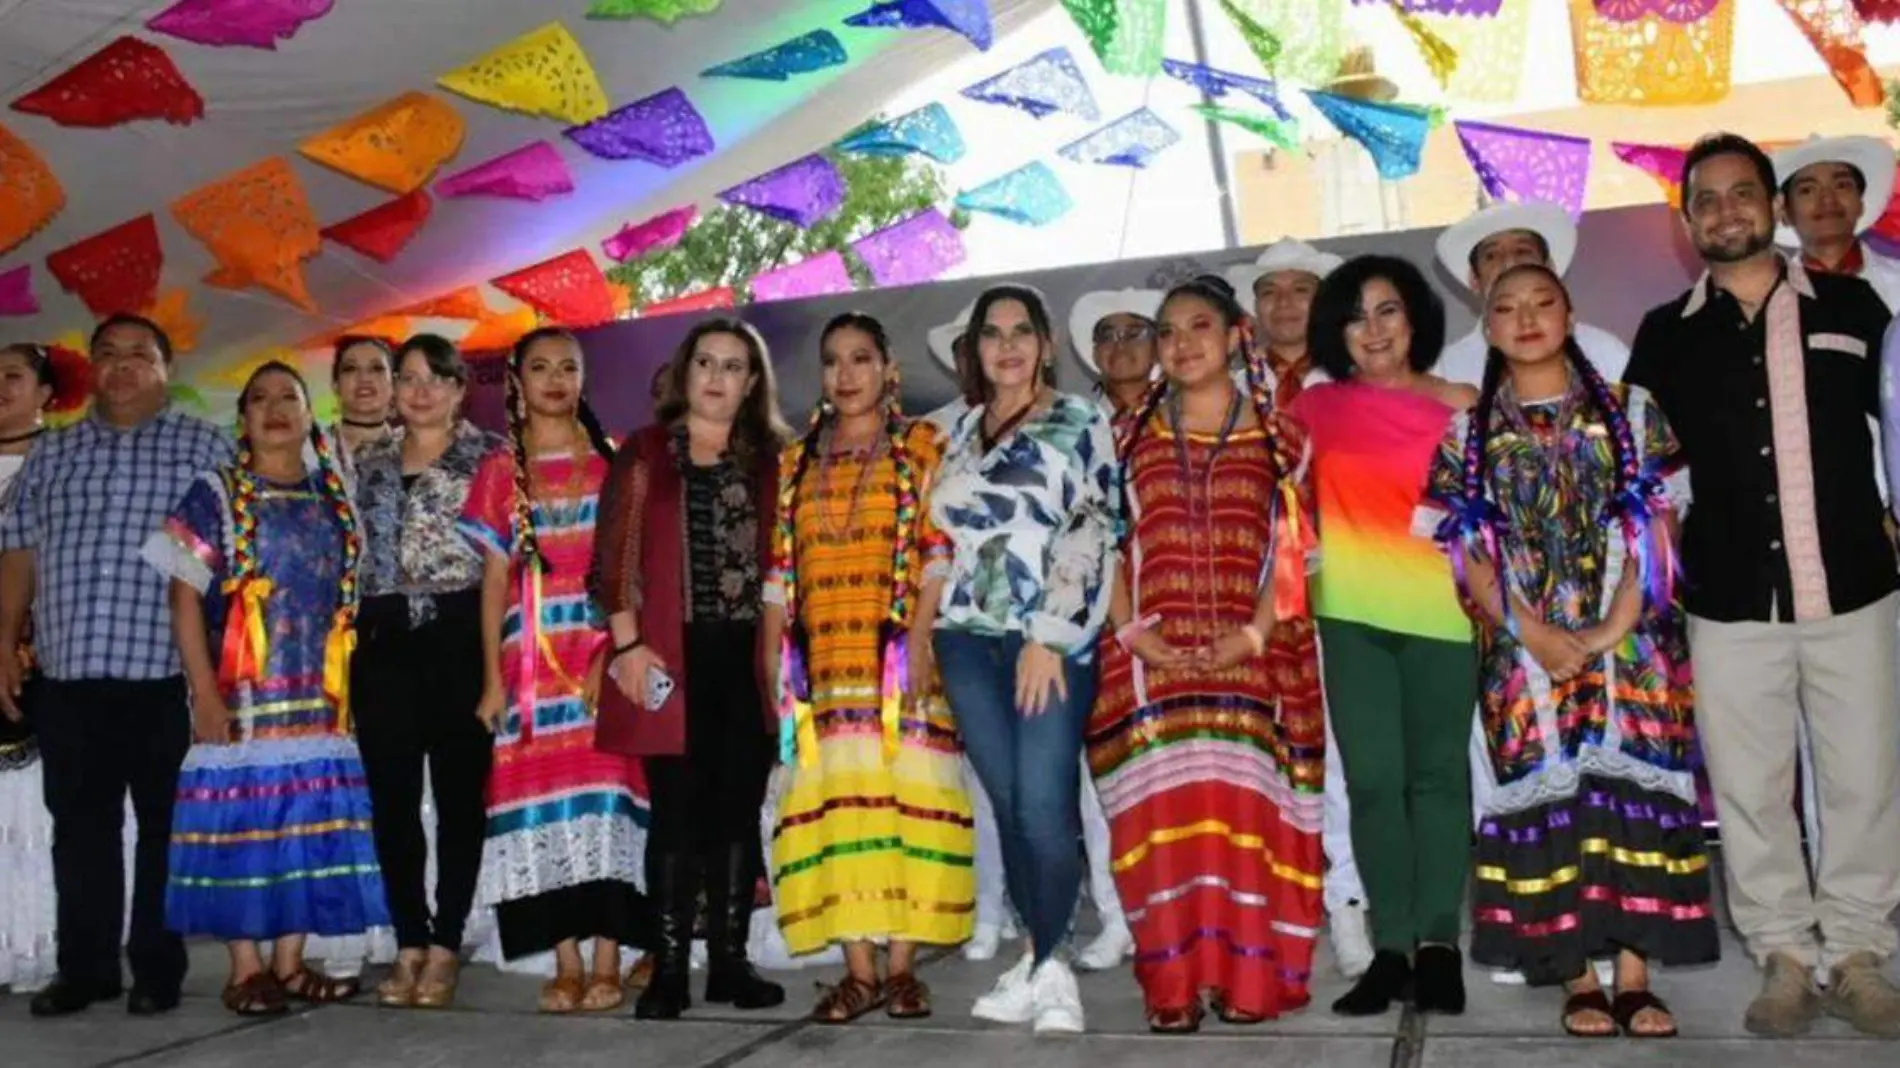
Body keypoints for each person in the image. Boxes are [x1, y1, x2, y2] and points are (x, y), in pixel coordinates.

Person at [1624, 133, 1900, 1039]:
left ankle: (1859, 955)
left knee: (1866, 781)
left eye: (1745, 194)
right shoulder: (1665, 334)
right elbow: (1643, 471)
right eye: (1709, 199)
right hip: (1730, 600)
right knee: (1749, 786)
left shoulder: (1859, 308)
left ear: (1772, 206)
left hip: (1855, 586)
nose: (1728, 211)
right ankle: (1783, 955)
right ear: (1688, 218)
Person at [1428, 264, 1719, 1038]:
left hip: (1633, 644)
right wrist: (1533, 633)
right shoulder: (1467, 433)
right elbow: (1467, 555)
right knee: (1554, 802)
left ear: (1569, 313)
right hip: (1524, 653)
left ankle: (1634, 973)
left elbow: (1662, 524)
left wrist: (1610, 628)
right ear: (1485, 326)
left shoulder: (1633, 410)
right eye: (1506, 308)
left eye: (1542, 303)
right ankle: (1575, 977)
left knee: (1629, 804)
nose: (1525, 318)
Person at [1093, 276, 1323, 1032]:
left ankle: (1247, 982)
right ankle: (1171, 987)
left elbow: (1295, 550)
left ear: (1235, 337)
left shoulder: (1279, 437)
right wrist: (1130, 632)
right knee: (1159, 824)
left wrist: (1254, 634)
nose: (1182, 343)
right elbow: (1102, 545)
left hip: (1249, 658)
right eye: (1167, 332)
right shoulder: (1123, 439)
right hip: (1149, 664)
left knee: (1241, 821)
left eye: (1199, 326)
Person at [0, 314, 233, 1017]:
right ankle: (87, 969)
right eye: (108, 355)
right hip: (69, 678)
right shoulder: (53, 455)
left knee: (166, 829)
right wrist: (4, 640)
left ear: (168, 370)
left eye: (141, 356)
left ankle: (157, 970)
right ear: (90, 369)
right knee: (80, 829)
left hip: (167, 679)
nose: (123, 367)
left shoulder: (207, 447)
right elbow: (18, 553)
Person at [142, 361, 388, 1016]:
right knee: (243, 829)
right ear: (242, 419)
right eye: (260, 399)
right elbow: (184, 595)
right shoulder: (216, 492)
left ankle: (290, 963)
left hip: (319, 695)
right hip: (243, 694)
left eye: (290, 397)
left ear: (311, 415)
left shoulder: (333, 494)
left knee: (306, 826)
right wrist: (204, 693)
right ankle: (245, 968)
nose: (276, 408)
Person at [763, 313, 974, 1022]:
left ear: (890, 368)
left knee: (912, 807)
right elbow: (777, 572)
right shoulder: (796, 461)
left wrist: (918, 638)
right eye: (832, 361)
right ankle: (857, 971)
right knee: (837, 813)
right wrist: (771, 654)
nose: (845, 374)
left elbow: (938, 550)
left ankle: (904, 969)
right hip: (820, 670)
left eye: (861, 358)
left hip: (899, 667)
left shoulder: (922, 445)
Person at [1288, 256, 1478, 1018]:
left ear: (1416, 318)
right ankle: (1389, 946)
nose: (1373, 329)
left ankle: (1438, 945)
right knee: (1371, 782)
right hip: (1351, 618)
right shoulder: (1314, 408)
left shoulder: (1464, 404)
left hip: (1444, 615)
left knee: (1437, 780)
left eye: (1388, 310)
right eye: (1356, 315)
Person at [929, 284, 1120, 1035]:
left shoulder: (1080, 420)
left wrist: (1048, 633)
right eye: (991, 334)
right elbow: (943, 540)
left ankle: (1051, 965)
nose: (1006, 346)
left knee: (1045, 803)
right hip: (966, 638)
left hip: (1047, 635)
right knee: (1008, 802)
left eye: (1020, 332)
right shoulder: (962, 430)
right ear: (974, 351)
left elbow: (1094, 525)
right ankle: (1039, 960)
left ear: (1045, 343)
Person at [592, 317, 789, 1020]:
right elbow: (612, 563)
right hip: (668, 658)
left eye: (733, 365)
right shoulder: (645, 452)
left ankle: (730, 966)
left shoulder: (774, 457)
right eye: (705, 361)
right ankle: (669, 969)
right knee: (674, 815)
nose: (716, 376)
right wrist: (628, 648)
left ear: (752, 380)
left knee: (736, 814)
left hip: (749, 662)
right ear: (684, 372)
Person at [460, 328, 649, 1013]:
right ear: (516, 383)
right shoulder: (497, 472)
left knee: (608, 804)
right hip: (529, 670)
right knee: (537, 809)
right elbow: (491, 583)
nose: (554, 379)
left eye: (567, 367)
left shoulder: (615, 462)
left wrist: (615, 653)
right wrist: (490, 678)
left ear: (583, 378)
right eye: (538, 367)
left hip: (602, 655)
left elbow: (638, 570)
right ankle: (565, 960)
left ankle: (609, 958)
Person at [1229, 238, 1373, 981]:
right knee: (1255, 752)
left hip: (1336, 590)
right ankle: (1273, 903)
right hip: (1240, 598)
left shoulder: (1353, 379)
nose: (1284, 304)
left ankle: (1346, 904)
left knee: (1337, 755)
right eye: (1269, 291)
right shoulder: (1228, 386)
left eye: (1301, 289)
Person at [350, 334, 500, 1010]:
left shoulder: (490, 455)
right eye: (408, 378)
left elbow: (505, 561)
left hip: (460, 633)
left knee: (461, 800)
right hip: (383, 638)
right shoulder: (368, 459)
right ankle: (408, 940)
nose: (420, 391)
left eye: (436, 378)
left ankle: (445, 946)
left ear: (459, 387)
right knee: (393, 800)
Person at [923, 303, 1020, 965]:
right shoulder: (935, 436)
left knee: (1060, 785)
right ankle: (991, 910)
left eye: (985, 339)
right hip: (964, 628)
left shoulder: (1058, 418)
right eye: (967, 344)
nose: (977, 354)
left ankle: (1086, 910)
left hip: (1039, 629)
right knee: (985, 782)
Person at [0, 342, 68, 993]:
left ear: (46, 391)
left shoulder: (66, 462)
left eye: (13, 377)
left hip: (45, 654)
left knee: (37, 810)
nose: (0, 388)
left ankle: (36, 945)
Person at [1433, 201, 1630, 390]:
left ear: (1549, 267)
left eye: (1522, 250)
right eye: (1492, 255)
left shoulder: (1605, 351)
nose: (1509, 262)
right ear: (1475, 280)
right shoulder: (1448, 369)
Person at [1771, 134, 1900, 311]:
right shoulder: (1769, 298)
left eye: (1841, 185)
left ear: (1861, 203)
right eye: (1807, 190)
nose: (1827, 199)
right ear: (1785, 212)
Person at [325, 335, 398, 488]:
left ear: (394, 384)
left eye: (377, 368)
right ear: (335, 385)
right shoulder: (311, 450)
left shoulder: (411, 453)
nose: (364, 378)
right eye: (350, 369)